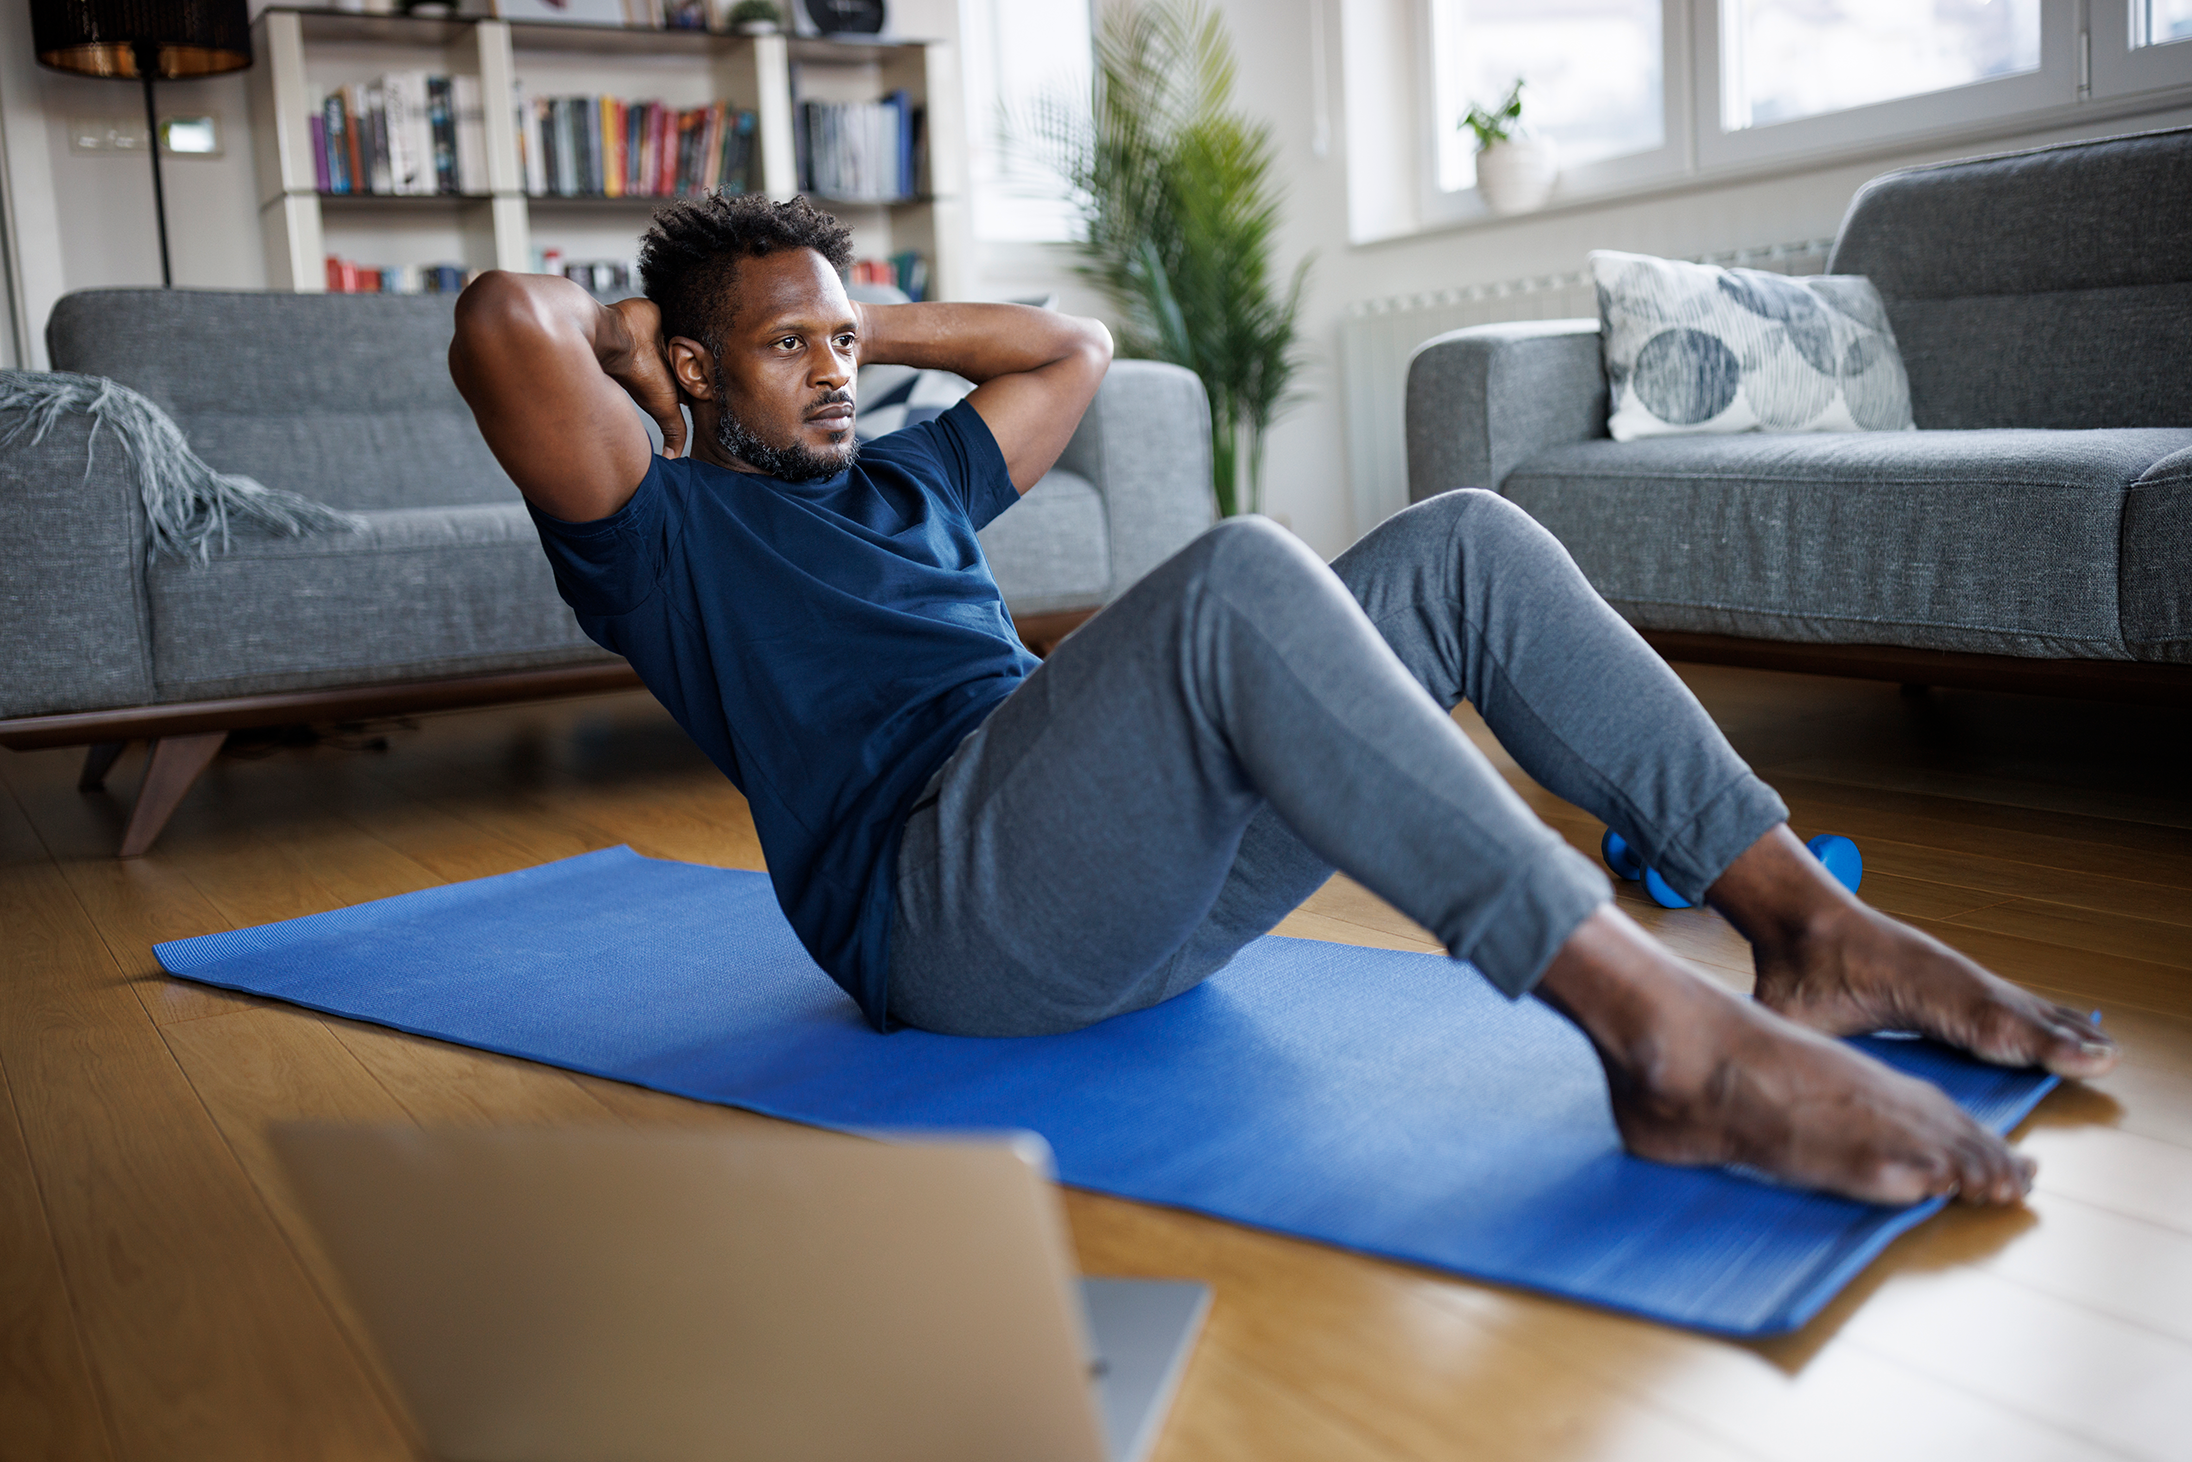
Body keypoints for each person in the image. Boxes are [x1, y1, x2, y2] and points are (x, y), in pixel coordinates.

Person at [451, 193, 2115, 1210]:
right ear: (680, 369)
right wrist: (652, 331)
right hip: (945, 913)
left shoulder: (910, 484)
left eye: (845, 343)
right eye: (787, 348)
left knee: (1464, 541)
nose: (834, 370)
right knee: (1242, 571)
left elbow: (1071, 349)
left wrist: (833, 309)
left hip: (1118, 897)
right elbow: (500, 325)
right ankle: (1660, 1037)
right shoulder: (659, 534)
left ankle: (1801, 925)